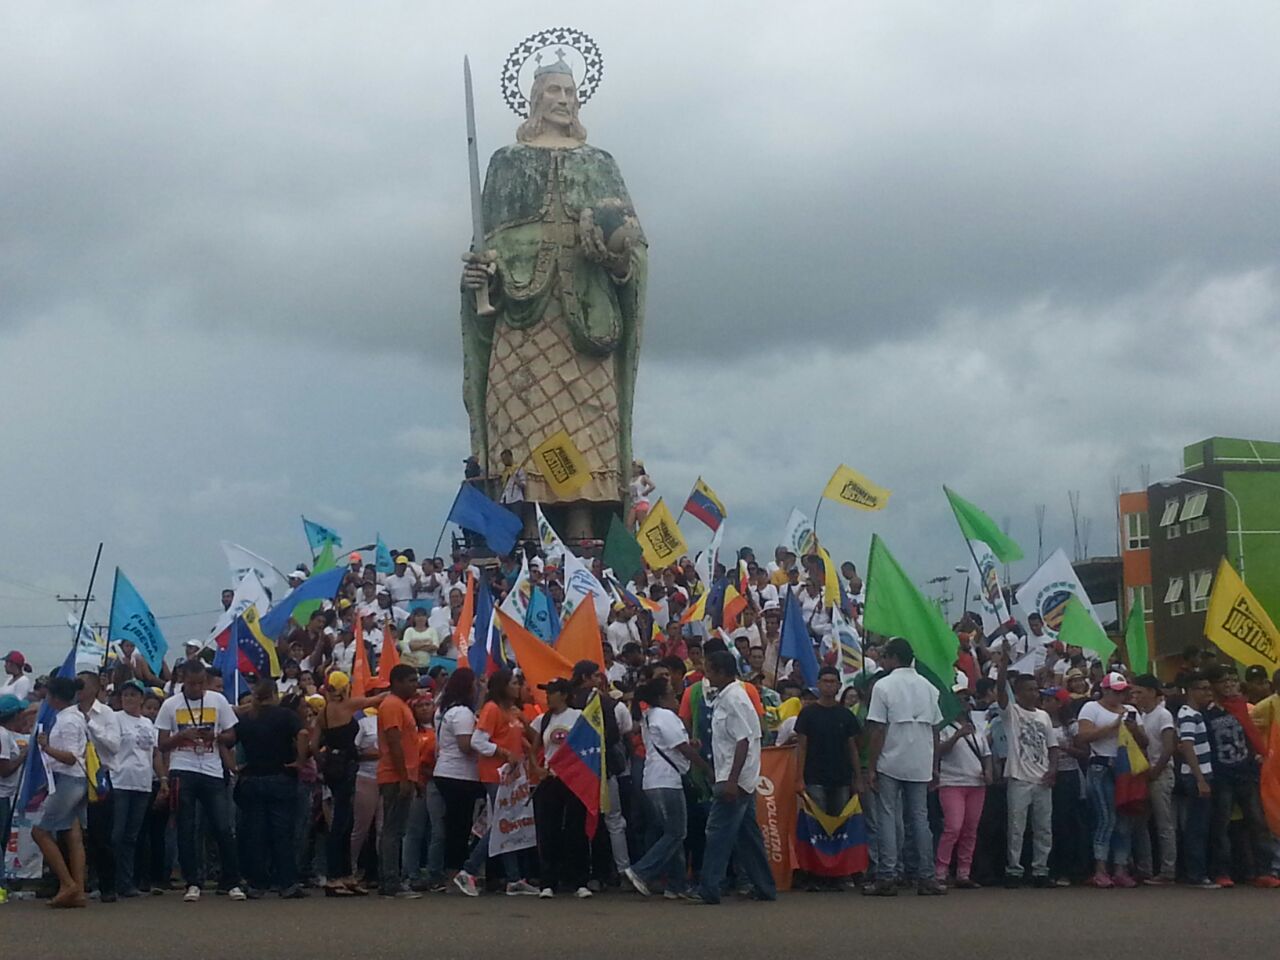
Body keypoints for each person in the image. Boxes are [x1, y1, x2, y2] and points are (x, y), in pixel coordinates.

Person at [154, 661, 246, 902]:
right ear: (183, 680)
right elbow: (162, 744)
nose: (196, 688)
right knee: (186, 827)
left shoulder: (218, 700)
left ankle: (232, 881)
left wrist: (214, 735)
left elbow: (232, 735)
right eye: (192, 683)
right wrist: (182, 736)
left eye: (200, 683)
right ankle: (192, 881)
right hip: (182, 769)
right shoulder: (170, 705)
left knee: (223, 826)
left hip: (212, 769)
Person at [691, 651, 776, 905]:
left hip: (734, 777)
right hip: (737, 775)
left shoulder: (734, 699)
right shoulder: (728, 696)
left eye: (709, 669)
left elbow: (743, 740)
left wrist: (731, 780)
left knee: (717, 832)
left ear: (721, 672)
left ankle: (709, 887)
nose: (706, 673)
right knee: (747, 835)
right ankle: (765, 887)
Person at [864, 637, 946, 897]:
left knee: (888, 817)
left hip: (891, 757)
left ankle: (887, 875)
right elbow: (935, 731)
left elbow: (877, 729)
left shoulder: (883, 686)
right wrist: (934, 765)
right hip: (920, 759)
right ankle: (927, 876)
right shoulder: (929, 687)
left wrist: (872, 765)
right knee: (920, 819)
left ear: (893, 658)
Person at [453, 669, 539, 897]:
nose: (517, 687)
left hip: (514, 776)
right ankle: (468, 870)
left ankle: (514, 879)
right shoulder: (492, 709)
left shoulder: (512, 711)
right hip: (496, 774)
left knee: (509, 823)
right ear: (502, 686)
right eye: (513, 683)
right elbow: (477, 741)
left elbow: (528, 739)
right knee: (504, 824)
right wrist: (502, 751)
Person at [625, 675, 708, 899]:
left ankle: (676, 884)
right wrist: (706, 769)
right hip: (666, 780)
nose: (676, 695)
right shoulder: (665, 715)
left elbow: (667, 743)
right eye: (672, 691)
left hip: (654, 779)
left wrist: (689, 744)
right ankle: (641, 871)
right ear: (662, 697)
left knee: (672, 833)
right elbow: (681, 748)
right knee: (676, 832)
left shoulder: (650, 716)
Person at [1202, 665, 1278, 887]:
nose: (1229, 684)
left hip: (1246, 773)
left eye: (1233, 680)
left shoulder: (1244, 709)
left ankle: (1264, 870)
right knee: (1222, 824)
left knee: (1257, 822)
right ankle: (1222, 871)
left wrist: (1259, 755)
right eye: (1224, 681)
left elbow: (1253, 735)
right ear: (1214, 686)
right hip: (1223, 775)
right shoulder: (1207, 713)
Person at [312, 670, 384, 896]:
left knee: (346, 821)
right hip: (346, 766)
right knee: (341, 823)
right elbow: (376, 699)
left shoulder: (323, 712)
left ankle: (345, 875)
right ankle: (335, 877)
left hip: (333, 767)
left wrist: (322, 761)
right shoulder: (347, 706)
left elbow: (314, 745)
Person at [235, 678, 308, 898]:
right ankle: (286, 883)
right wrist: (300, 761)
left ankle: (257, 883)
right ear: (274, 694)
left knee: (255, 834)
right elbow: (304, 734)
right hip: (280, 777)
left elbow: (227, 740)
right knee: (282, 833)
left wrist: (234, 767)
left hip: (252, 778)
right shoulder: (286, 716)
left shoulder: (246, 718)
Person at [794, 665, 863, 889]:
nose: (828, 685)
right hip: (814, 778)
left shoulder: (846, 716)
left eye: (832, 682)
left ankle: (839, 874)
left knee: (841, 827)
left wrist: (858, 778)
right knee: (817, 828)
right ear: (818, 684)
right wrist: (798, 778)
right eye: (824, 681)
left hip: (841, 778)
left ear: (839, 685)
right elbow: (801, 747)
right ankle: (817, 874)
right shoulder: (808, 714)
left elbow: (853, 748)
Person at [1075, 671, 1144, 888]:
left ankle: (1120, 868)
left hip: (1124, 768)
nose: (1119, 697)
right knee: (1106, 819)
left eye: (1123, 692)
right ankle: (1100, 869)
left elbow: (1145, 742)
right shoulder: (1091, 708)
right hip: (1101, 766)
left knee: (1124, 820)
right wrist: (1111, 728)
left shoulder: (1131, 711)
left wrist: (1133, 730)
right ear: (1104, 690)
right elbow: (1082, 737)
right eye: (1115, 692)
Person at [996, 652, 1057, 888]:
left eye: (1035, 689)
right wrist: (1003, 663)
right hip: (1019, 778)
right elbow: (1001, 689)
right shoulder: (1011, 712)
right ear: (1018, 693)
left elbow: (1052, 747)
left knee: (1043, 828)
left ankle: (1040, 869)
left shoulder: (1044, 716)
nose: (1034, 693)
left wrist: (1053, 770)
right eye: (1028, 690)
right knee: (1016, 828)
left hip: (1042, 779)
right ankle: (1014, 870)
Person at [30, 676, 89, 908]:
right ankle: (78, 889)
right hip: (76, 780)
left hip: (68, 780)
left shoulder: (67, 721)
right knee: (72, 835)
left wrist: (46, 747)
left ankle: (68, 883)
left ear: (54, 697)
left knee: (40, 832)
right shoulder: (74, 717)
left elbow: (71, 756)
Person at [531, 678, 590, 898]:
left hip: (574, 780)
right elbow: (534, 749)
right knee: (548, 830)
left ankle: (579, 880)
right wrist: (537, 769)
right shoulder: (543, 719)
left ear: (564, 695)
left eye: (552, 692)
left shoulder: (578, 717)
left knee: (576, 829)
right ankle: (548, 882)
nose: (548, 696)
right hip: (550, 780)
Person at [109, 679, 163, 898]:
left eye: (133, 695)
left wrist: (163, 778)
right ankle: (108, 880)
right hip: (120, 780)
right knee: (116, 834)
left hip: (142, 783)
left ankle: (126, 882)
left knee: (132, 836)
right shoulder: (114, 719)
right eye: (126, 695)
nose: (129, 698)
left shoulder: (148, 724)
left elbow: (155, 753)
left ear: (142, 698)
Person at [430, 668, 482, 887]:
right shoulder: (462, 713)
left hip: (445, 770)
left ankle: (448, 871)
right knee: (459, 826)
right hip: (460, 774)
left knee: (452, 825)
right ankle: (455, 873)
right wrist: (486, 746)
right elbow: (465, 745)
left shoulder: (443, 710)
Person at [934, 689, 991, 888]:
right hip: (952, 782)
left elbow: (986, 754)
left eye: (968, 699)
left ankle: (963, 872)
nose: (966, 703)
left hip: (976, 783)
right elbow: (939, 751)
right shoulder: (944, 727)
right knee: (953, 827)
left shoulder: (977, 728)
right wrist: (957, 735)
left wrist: (989, 771)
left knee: (970, 829)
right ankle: (941, 870)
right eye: (962, 699)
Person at [377, 664, 423, 899]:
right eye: (410, 680)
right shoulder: (392, 705)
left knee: (395, 830)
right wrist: (404, 777)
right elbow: (394, 742)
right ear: (396, 682)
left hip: (402, 775)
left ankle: (389, 879)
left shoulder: (400, 705)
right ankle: (391, 881)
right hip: (395, 776)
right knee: (393, 831)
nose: (415, 685)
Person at [1131, 674, 1177, 885]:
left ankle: (1168, 870)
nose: (1135, 696)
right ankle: (1146, 868)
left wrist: (1156, 770)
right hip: (1146, 773)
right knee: (1141, 823)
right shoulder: (1144, 716)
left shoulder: (1163, 715)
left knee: (1164, 824)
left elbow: (1169, 746)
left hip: (1160, 773)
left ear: (1151, 691)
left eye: (1139, 692)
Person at [1176, 672, 1217, 887]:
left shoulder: (1197, 714)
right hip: (1196, 775)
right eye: (1203, 689)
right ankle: (1196, 873)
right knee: (1197, 827)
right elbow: (1188, 746)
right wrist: (1200, 778)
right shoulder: (1188, 715)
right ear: (1191, 691)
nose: (1208, 693)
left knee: (1201, 825)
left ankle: (1198, 871)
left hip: (1202, 772)